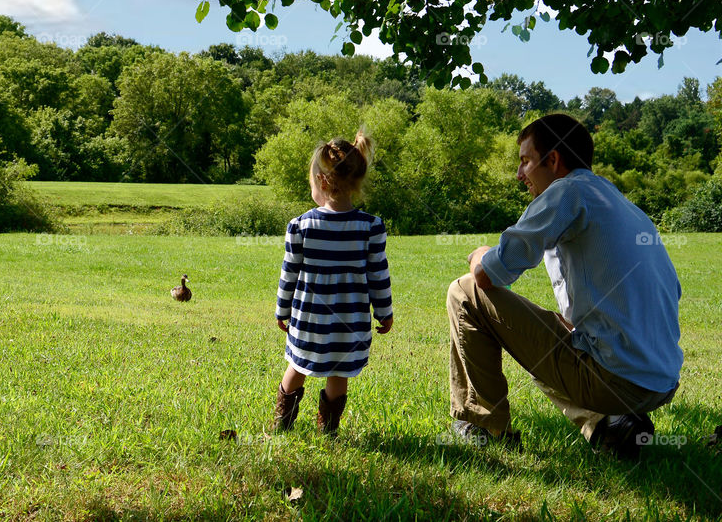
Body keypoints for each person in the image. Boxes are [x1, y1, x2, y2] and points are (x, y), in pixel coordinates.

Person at [447, 113, 683, 459]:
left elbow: (488, 275)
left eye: (525, 161)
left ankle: (484, 426)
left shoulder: (567, 191)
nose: (519, 175)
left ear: (553, 160)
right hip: (660, 381)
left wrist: (479, 254)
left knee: (464, 291)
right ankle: (609, 426)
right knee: (550, 337)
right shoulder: (619, 202)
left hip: (616, 381)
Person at [273, 130, 394, 436]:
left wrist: (281, 310)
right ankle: (328, 431)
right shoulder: (371, 226)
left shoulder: (300, 225)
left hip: (308, 319)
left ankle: (281, 424)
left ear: (323, 182)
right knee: (339, 373)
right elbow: (378, 274)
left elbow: (289, 273)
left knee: (297, 365)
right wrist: (384, 311)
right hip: (349, 322)